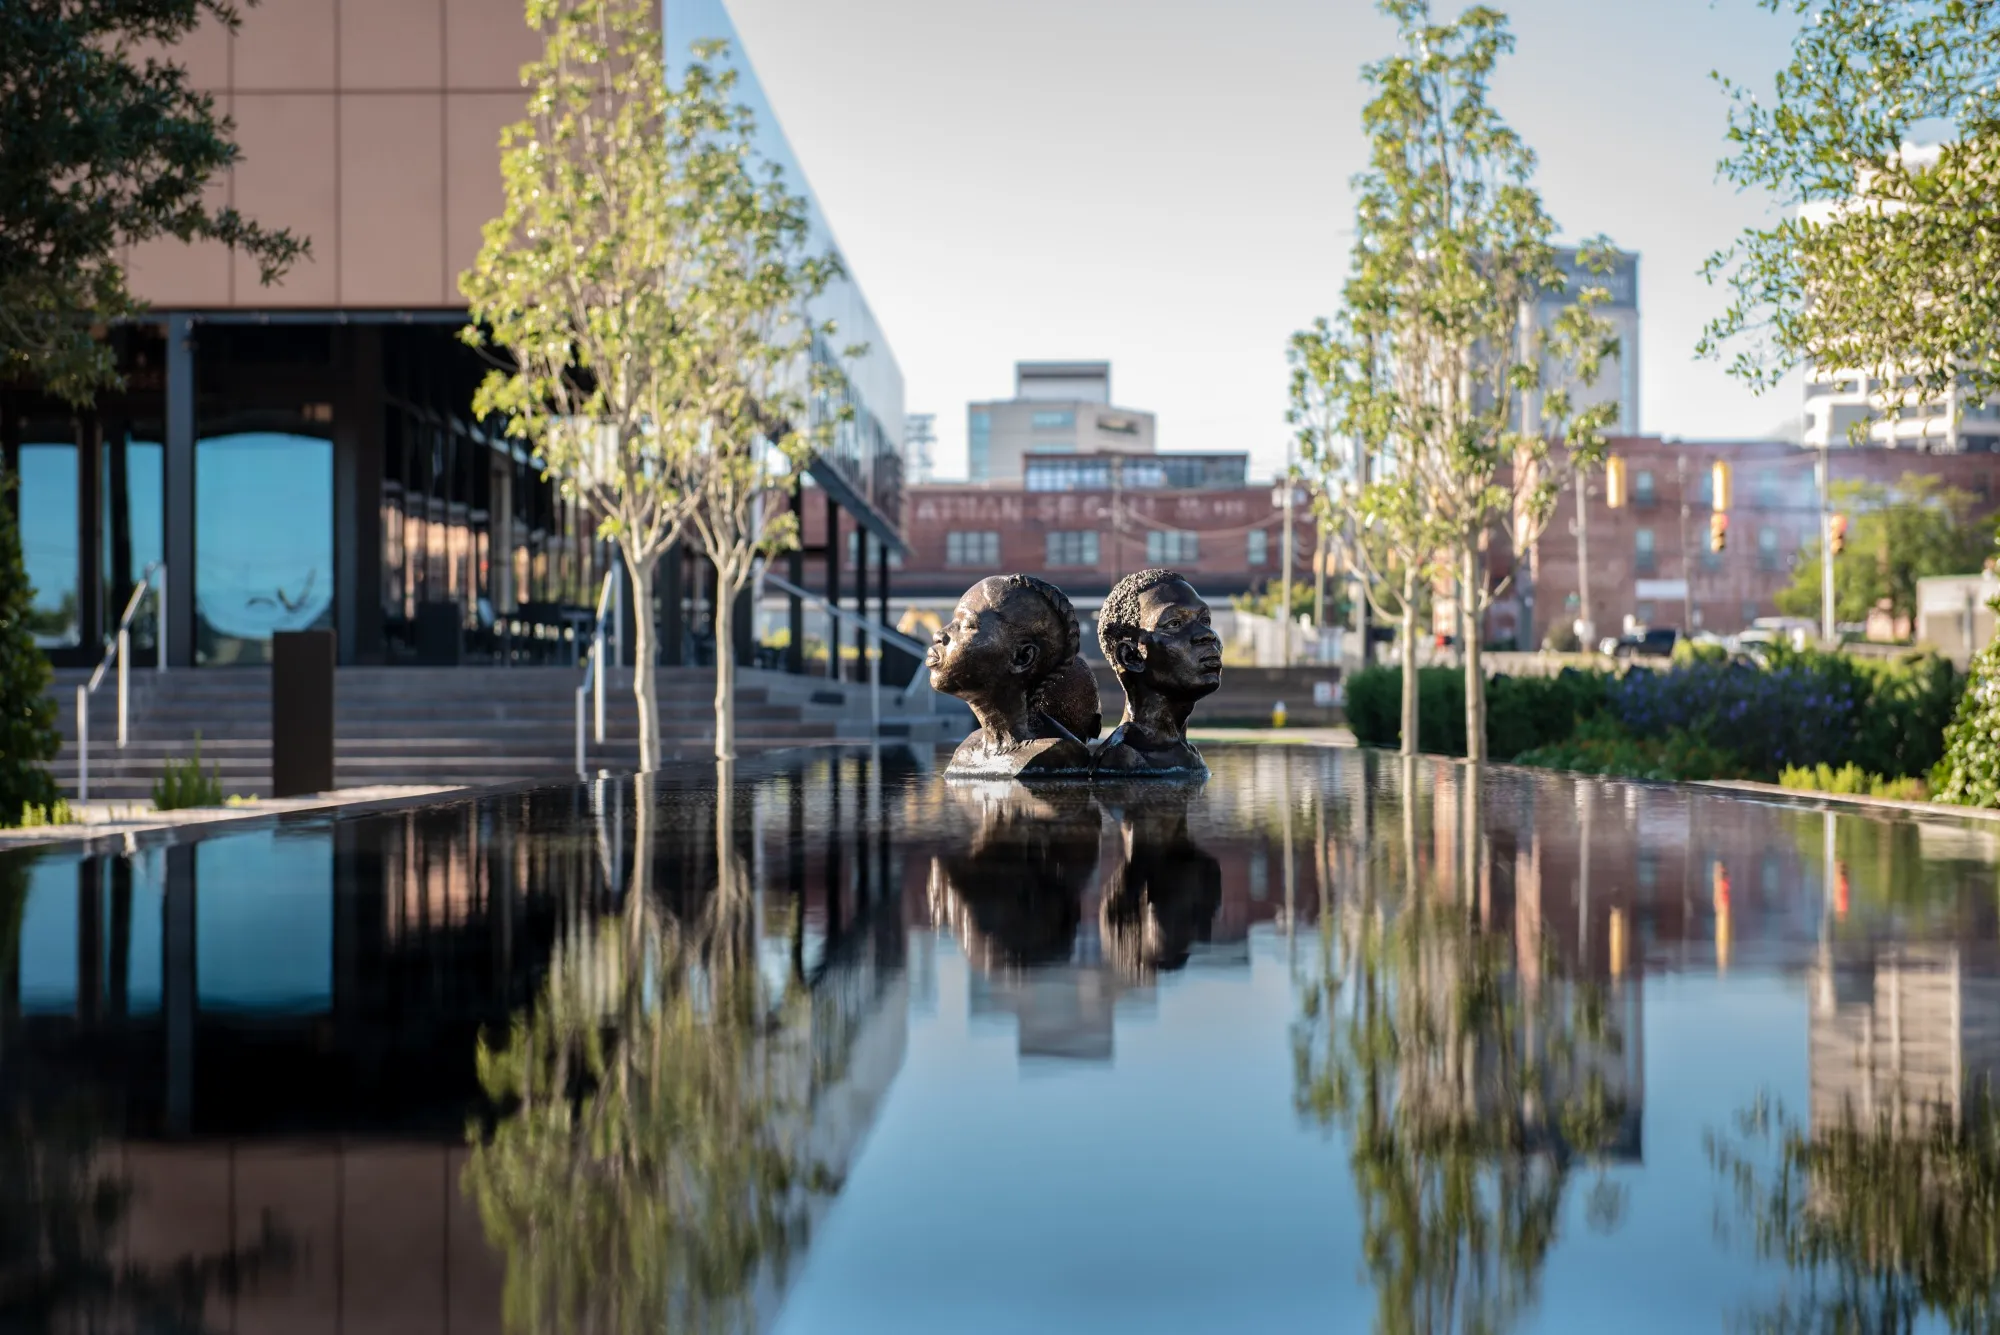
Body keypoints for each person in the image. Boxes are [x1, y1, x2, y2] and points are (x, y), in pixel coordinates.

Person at [927, 574, 1093, 777]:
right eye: (954, 621)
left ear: (1021, 657)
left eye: (968, 625)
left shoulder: (1055, 754)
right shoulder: (967, 750)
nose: (940, 634)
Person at [1093, 568, 1222, 776]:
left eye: (1205, 620)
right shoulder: (1124, 758)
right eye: (1174, 623)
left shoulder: (1185, 753)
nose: (1207, 635)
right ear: (1131, 656)